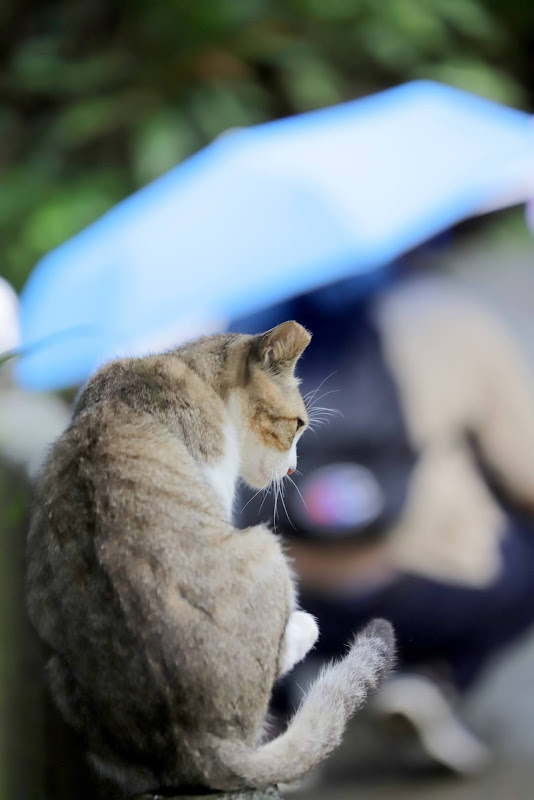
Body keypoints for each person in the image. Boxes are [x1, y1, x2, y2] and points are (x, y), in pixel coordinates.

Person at [232, 263, 534, 776]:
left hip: (282, 592)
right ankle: (434, 679)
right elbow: (526, 474)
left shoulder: (233, 343)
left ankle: (284, 703)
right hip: (429, 586)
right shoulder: (448, 317)